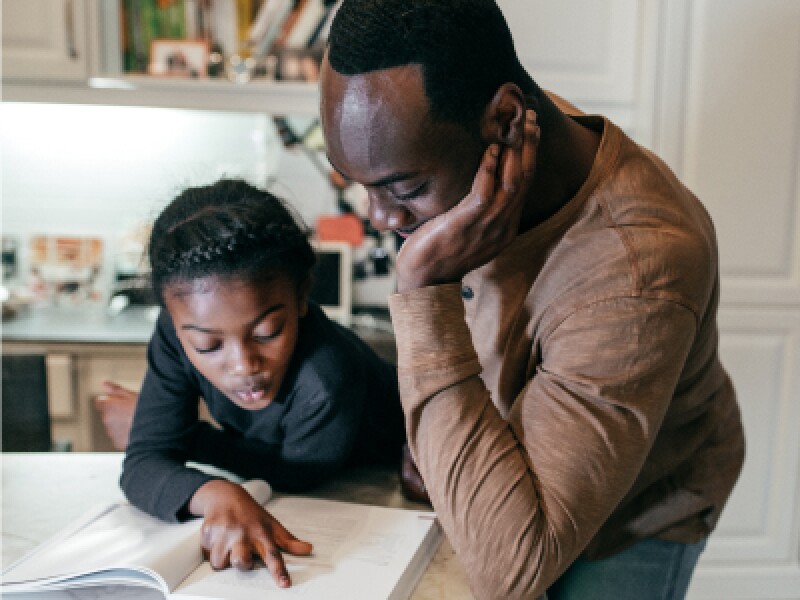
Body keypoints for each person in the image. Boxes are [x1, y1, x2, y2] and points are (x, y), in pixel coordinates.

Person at [318, 1, 746, 599]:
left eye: (405, 187)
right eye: (359, 184)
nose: (381, 218)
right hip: (531, 439)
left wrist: (422, 290)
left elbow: (511, 570)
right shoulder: (507, 143)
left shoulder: (638, 271)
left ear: (508, 120)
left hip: (640, 514)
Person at [116, 178, 406, 588]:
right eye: (207, 344)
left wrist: (192, 440)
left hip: (380, 476)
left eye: (267, 332)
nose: (243, 365)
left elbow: (293, 474)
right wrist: (217, 492)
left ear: (302, 296)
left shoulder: (326, 375)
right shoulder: (173, 332)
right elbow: (142, 463)